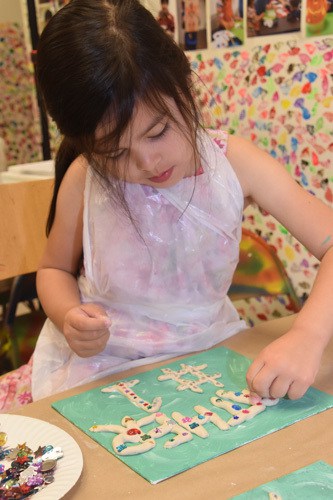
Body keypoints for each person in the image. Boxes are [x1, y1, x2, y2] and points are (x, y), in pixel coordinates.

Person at [1, 0, 333, 411]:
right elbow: (53, 269)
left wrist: (309, 335)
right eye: (115, 152)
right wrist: (69, 315)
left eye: (157, 132)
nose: (146, 162)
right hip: (104, 366)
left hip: (206, 351)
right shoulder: (85, 176)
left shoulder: (236, 163)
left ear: (186, 87)